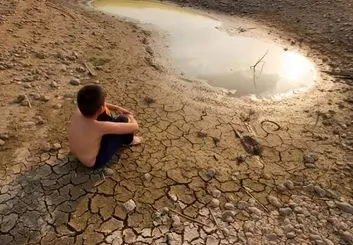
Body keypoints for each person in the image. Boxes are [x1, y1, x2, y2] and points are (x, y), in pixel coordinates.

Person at [68, 84, 141, 169]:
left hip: (76, 154)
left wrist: (117, 108)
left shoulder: (78, 111)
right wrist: (130, 116)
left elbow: (100, 106)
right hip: (93, 162)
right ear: (100, 108)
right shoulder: (100, 127)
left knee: (103, 113)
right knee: (123, 119)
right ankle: (129, 141)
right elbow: (135, 126)